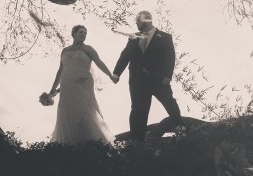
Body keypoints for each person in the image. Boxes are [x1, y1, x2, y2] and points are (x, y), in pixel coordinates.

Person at [112, 11, 185, 141]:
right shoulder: (133, 37)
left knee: (169, 103)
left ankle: (182, 129)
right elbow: (125, 55)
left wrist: (167, 76)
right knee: (138, 110)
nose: (136, 24)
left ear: (146, 20)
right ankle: (136, 140)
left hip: (158, 79)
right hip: (137, 81)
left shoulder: (165, 37)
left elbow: (170, 58)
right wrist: (116, 73)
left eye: (138, 21)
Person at [46, 25, 116, 145]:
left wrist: (110, 75)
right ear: (73, 33)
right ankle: (67, 144)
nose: (83, 35)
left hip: (83, 82)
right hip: (66, 84)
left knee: (85, 110)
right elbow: (60, 70)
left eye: (85, 33)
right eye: (80, 32)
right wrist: (53, 89)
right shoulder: (65, 50)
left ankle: (92, 143)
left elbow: (99, 62)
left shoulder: (88, 49)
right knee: (67, 112)